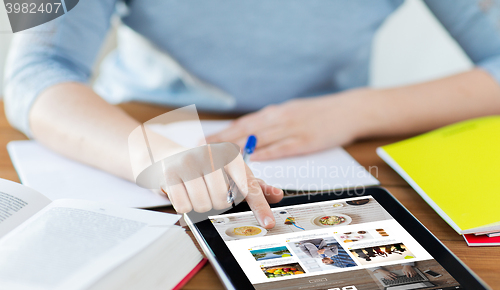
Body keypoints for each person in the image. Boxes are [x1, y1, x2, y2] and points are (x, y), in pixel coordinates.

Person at [5, 1, 500, 226]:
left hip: (332, 145)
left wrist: (361, 109)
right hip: (131, 125)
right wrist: (148, 151)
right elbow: (31, 70)